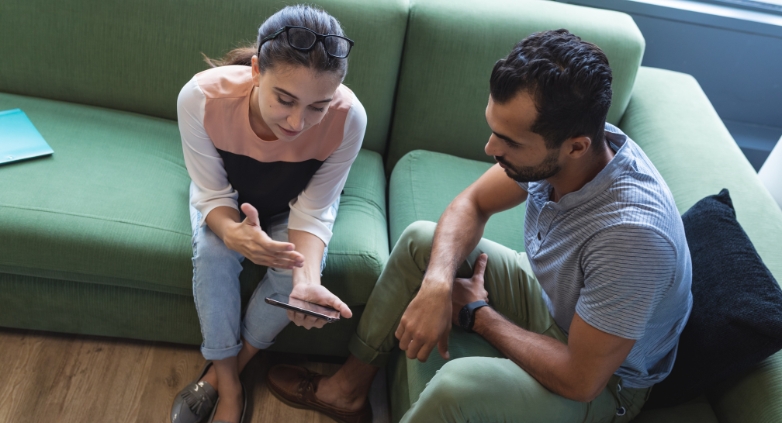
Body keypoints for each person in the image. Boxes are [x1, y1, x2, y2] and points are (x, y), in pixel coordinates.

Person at [266, 29, 693, 423]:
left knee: (457, 386)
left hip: (602, 382)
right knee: (422, 239)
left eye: (509, 141)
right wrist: (437, 285)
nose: (490, 149)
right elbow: (472, 203)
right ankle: (347, 391)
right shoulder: (580, 148)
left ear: (576, 147)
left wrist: (477, 314)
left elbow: (581, 379)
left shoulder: (632, 238)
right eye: (495, 130)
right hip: (550, 300)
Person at [169, 5, 365, 423]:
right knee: (213, 255)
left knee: (291, 275)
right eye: (285, 99)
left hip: (296, 204)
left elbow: (313, 213)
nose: (299, 122)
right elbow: (211, 191)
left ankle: (232, 370)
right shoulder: (202, 98)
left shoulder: (349, 119)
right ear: (257, 69)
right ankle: (231, 384)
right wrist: (231, 232)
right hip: (230, 197)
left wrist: (306, 280)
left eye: (319, 106)